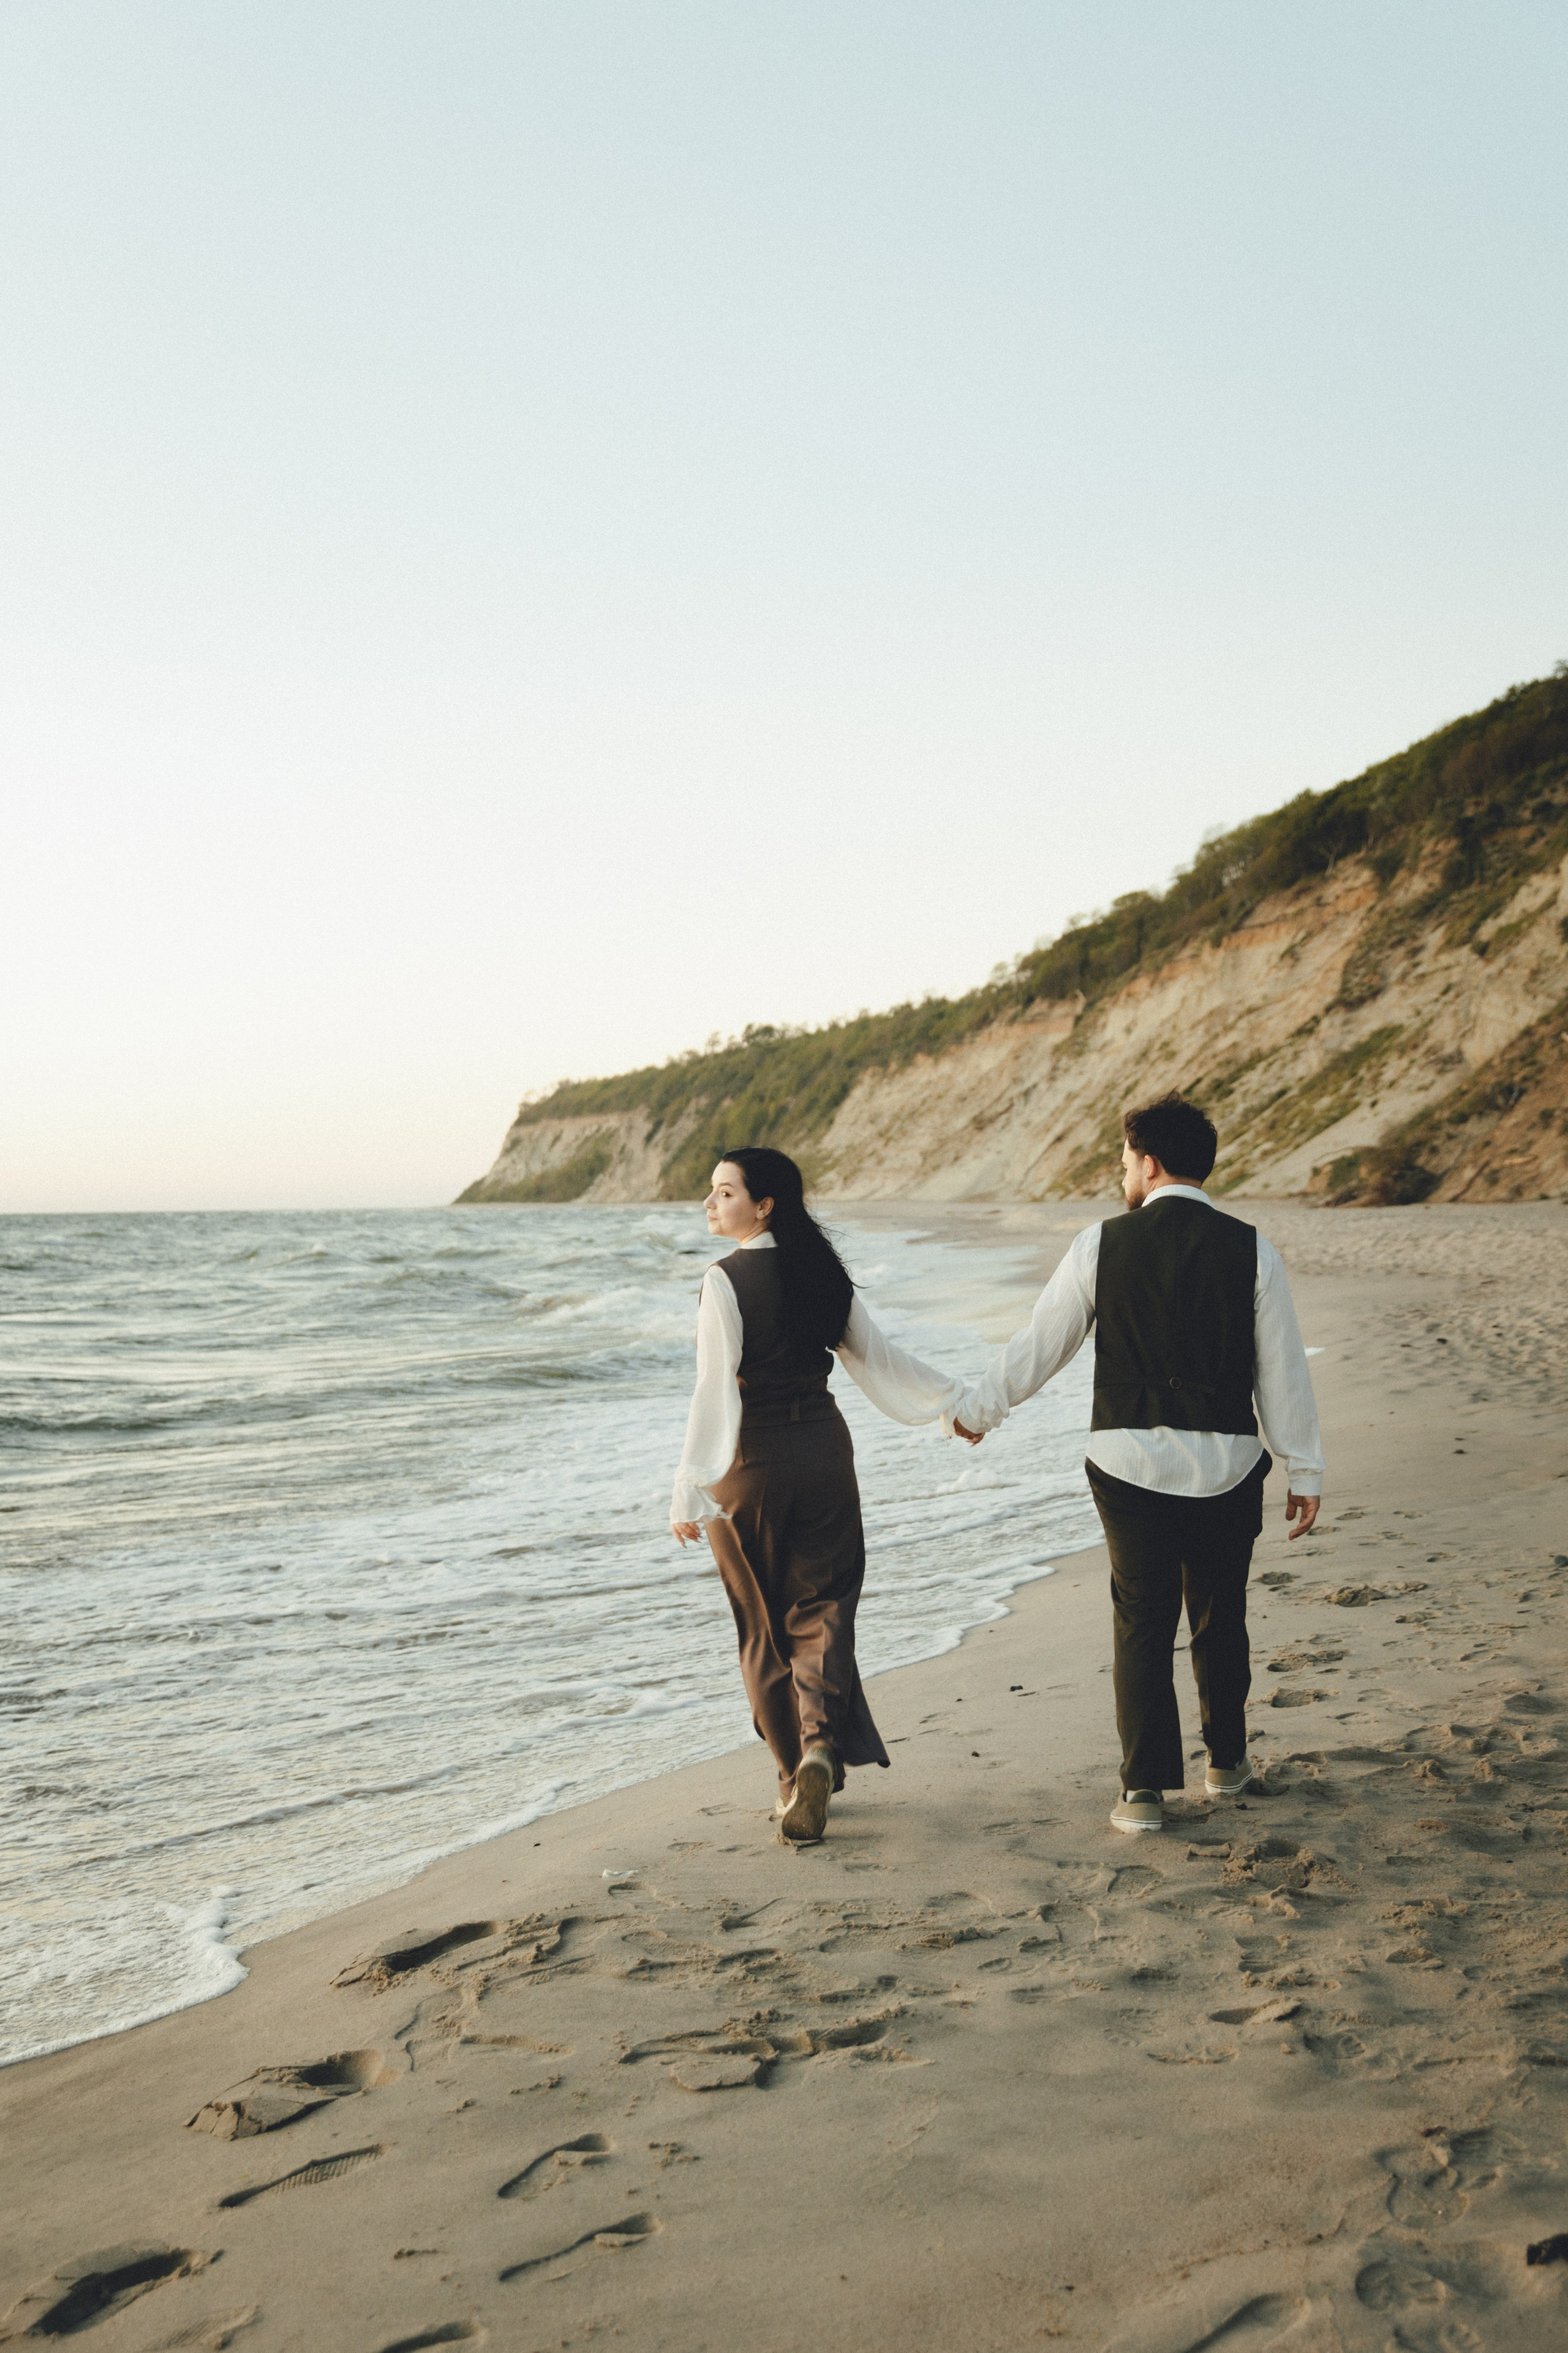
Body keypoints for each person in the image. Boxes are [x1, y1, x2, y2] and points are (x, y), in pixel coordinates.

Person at [950, 1092, 1324, 1837]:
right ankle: (1225, 1765)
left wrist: (978, 1409)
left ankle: (1144, 1794)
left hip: (1125, 1462)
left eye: (1124, 1160)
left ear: (1149, 1163)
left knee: (1142, 1620)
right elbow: (1282, 1370)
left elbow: (1041, 1343)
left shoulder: (1101, 1243)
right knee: (1222, 1616)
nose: (1121, 1173)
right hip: (1227, 1459)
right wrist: (1303, 1469)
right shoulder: (1253, 1247)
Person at [671, 1147, 973, 1845]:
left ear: (764, 1203)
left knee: (763, 1624)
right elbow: (882, 1360)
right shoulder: (822, 1272)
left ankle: (790, 1775)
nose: (710, 1204)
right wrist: (954, 1403)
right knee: (824, 1605)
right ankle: (818, 1743)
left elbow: (712, 1393)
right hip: (825, 1454)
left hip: (747, 1466)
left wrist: (687, 1486)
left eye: (723, 1192)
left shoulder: (723, 1281)